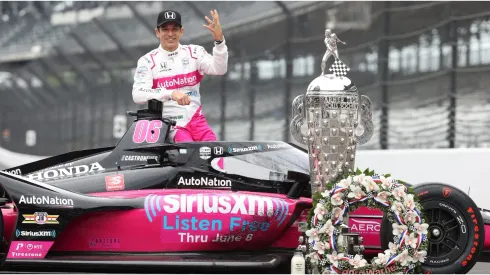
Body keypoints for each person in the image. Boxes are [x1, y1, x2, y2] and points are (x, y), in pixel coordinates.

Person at [132, 9, 228, 142]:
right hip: (171, 124)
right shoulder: (147, 61)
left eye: (174, 29)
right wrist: (171, 93)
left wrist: (219, 41)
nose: (170, 34)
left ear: (181, 31)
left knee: (216, 156)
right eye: (165, 29)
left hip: (197, 121)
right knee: (188, 150)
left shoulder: (194, 52)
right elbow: (138, 94)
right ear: (157, 32)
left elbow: (219, 69)